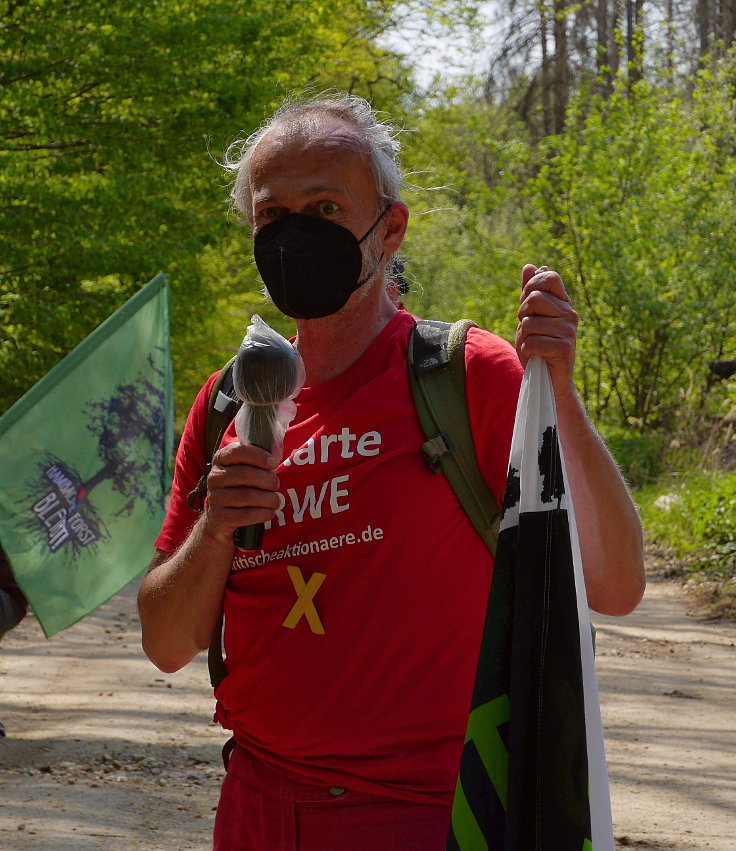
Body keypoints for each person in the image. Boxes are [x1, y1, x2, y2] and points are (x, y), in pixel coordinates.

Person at [138, 92, 645, 850]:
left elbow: (614, 582)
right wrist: (215, 527)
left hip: (428, 812)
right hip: (256, 806)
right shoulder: (230, 401)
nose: (295, 232)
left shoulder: (465, 374)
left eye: (325, 207)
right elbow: (167, 643)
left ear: (390, 227)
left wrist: (559, 394)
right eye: (272, 215)